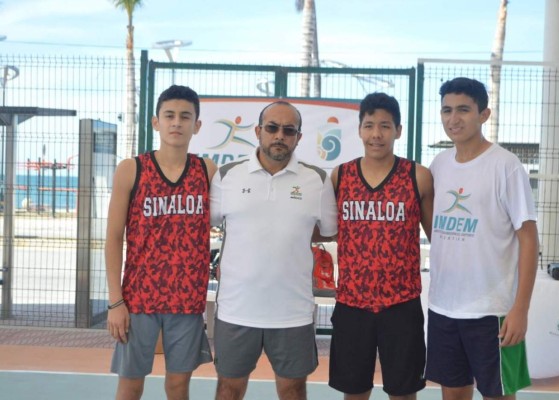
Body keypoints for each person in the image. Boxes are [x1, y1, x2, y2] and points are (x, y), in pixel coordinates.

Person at [209, 100, 337, 400]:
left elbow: (328, 230)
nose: (280, 135)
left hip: (292, 312)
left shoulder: (317, 180)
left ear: (298, 137)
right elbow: (211, 224)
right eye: (272, 128)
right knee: (228, 389)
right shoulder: (227, 176)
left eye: (289, 130)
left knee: (293, 390)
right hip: (236, 309)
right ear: (258, 131)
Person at [425, 77, 539, 400]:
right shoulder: (439, 165)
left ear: (484, 115)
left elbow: (529, 240)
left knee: (498, 395)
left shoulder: (506, 166)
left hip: (493, 312)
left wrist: (520, 309)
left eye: (463, 109)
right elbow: (435, 227)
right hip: (443, 307)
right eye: (447, 110)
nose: (453, 118)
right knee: (453, 394)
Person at [105, 85, 217, 400]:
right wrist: (115, 302)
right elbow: (113, 237)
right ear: (156, 122)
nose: (176, 122)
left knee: (178, 386)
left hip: (187, 299)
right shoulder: (132, 169)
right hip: (139, 298)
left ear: (197, 125)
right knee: (130, 385)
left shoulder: (207, 171)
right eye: (169, 115)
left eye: (185, 116)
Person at [328, 92, 434, 400]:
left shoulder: (418, 176)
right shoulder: (341, 175)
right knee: (354, 392)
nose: (377, 134)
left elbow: (438, 238)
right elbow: (326, 229)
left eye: (385, 126)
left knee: (403, 393)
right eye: (369, 125)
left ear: (398, 130)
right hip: (352, 303)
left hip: (401, 305)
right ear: (359, 130)